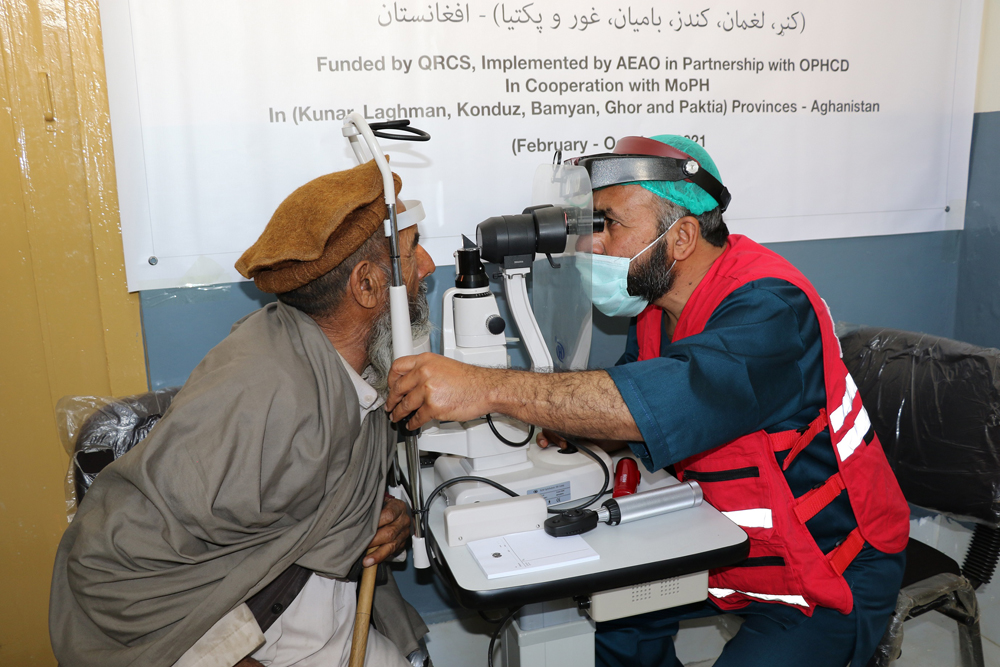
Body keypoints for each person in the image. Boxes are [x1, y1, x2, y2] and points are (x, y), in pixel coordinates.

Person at [384, 135, 910, 667]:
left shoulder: (771, 309)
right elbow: (627, 405)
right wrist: (575, 423)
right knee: (615, 637)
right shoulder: (657, 309)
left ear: (680, 237)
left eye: (609, 224)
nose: (593, 246)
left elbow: (662, 400)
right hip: (721, 541)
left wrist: (486, 387)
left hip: (827, 564)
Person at [49, 160, 435, 667]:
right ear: (365, 287)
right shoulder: (269, 398)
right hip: (263, 648)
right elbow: (107, 568)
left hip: (335, 629)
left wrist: (389, 518)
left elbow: (322, 499)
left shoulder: (357, 368)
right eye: (411, 250)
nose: (427, 265)